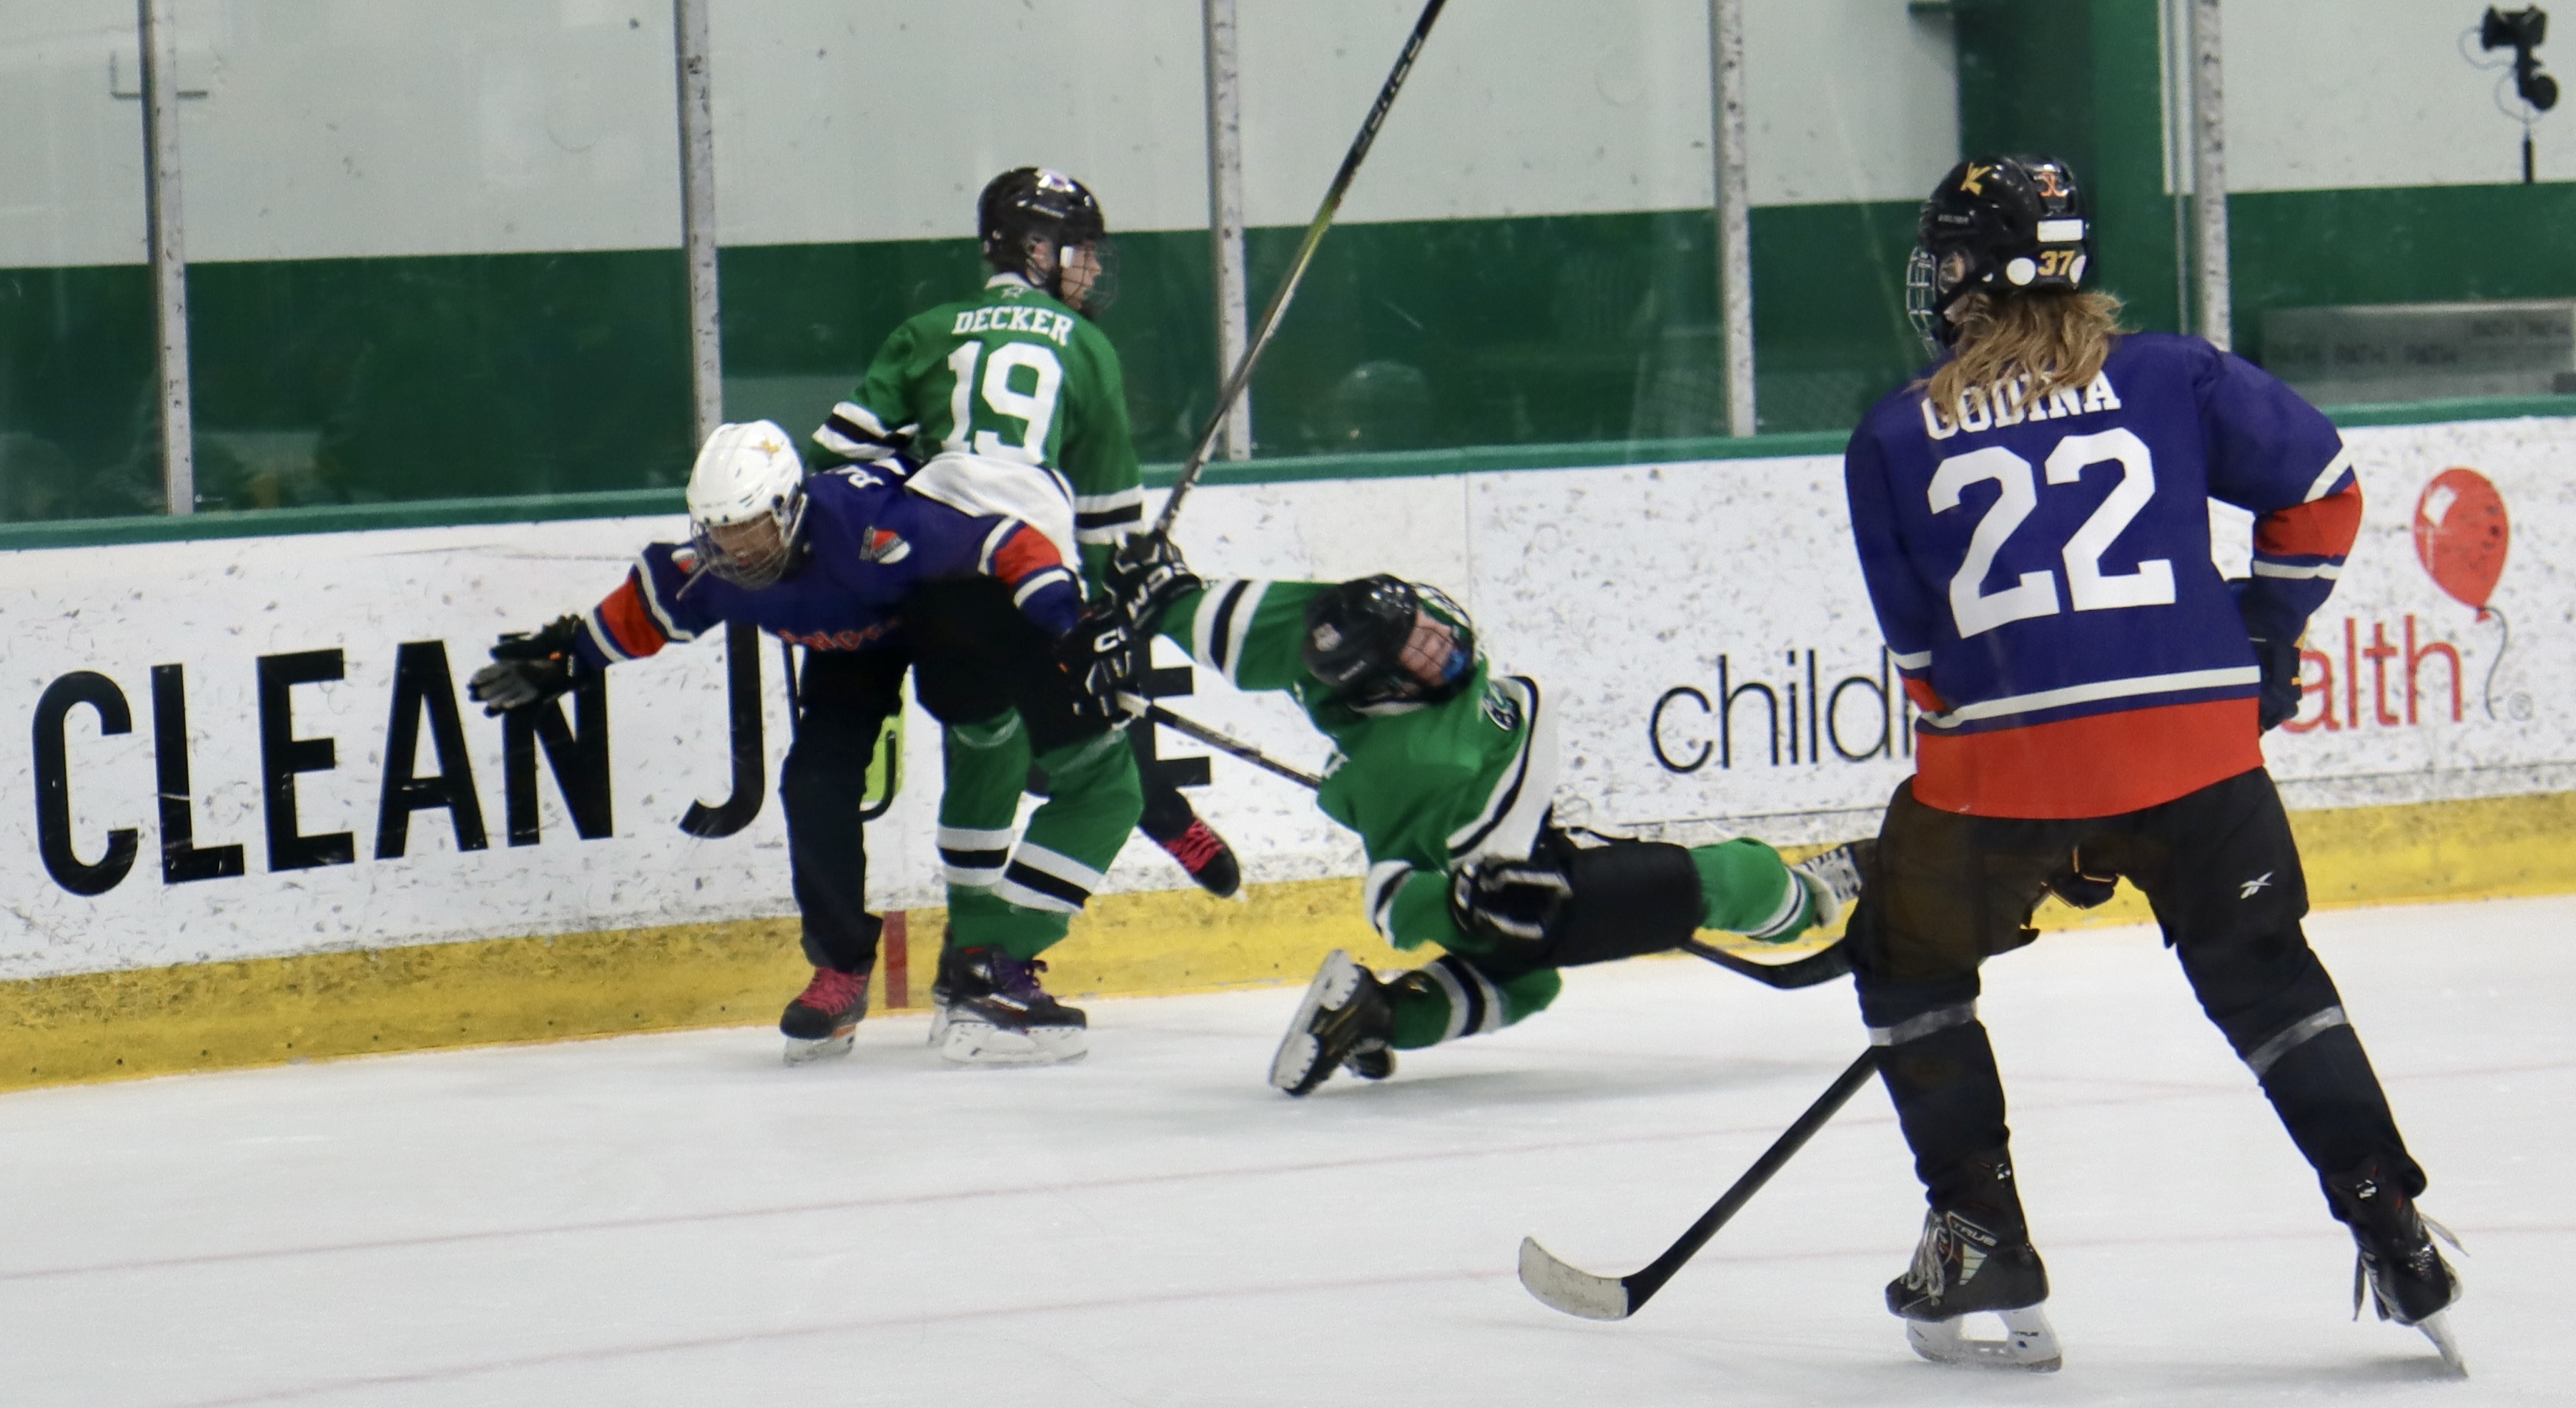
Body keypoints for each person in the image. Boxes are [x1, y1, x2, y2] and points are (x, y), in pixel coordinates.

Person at [1832, 154, 2457, 1374]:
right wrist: (2265, 632)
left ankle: (1977, 1228)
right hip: (2197, 754)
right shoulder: (2173, 376)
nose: (1936, 275)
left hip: (2003, 771)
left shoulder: (1892, 434)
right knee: (2267, 982)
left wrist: (2043, 819)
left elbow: (1923, 666)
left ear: (1979, 271)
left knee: (1906, 962)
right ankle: (2388, 1218)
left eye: (1949, 253)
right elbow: (2322, 492)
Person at [1093, 558, 1862, 1094]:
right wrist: (1464, 902)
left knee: (1522, 985)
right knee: (1731, 879)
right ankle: (1811, 898)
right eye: (1419, 651)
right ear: (1389, 685)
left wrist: (1163, 601)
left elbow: (1236, 625)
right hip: (1522, 888)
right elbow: (1390, 900)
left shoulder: (1338, 624)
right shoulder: (1418, 763)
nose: (1440, 639)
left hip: (1514, 850)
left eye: (1425, 624)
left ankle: (1371, 1013)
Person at [470, 422, 1096, 1064]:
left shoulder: (870, 523)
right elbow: (647, 607)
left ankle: (980, 956)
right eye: (720, 533)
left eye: (750, 529)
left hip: (940, 625)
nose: (737, 550)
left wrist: (1059, 623)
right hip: (851, 656)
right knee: (812, 784)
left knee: (994, 741)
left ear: (790, 508)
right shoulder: (712, 570)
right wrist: (564, 660)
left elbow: (1007, 541)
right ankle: (840, 969)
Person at [811, 167, 1238, 1045]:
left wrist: (928, 480)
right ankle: (990, 962)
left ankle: (963, 970)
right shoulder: (1084, 345)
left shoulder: (929, 329)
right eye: (1080, 251)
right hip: (1023, 588)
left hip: (930, 593)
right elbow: (1107, 517)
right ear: (1036, 249)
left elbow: (833, 457)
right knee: (1104, 786)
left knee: (986, 748)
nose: (1092, 269)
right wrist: (1107, 621)